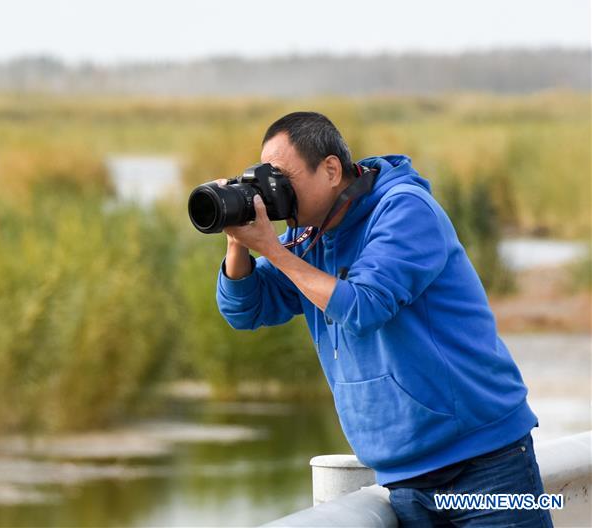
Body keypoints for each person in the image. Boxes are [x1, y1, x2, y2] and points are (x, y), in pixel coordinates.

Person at [215, 111, 553, 527]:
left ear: (332, 170)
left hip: (484, 462)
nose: (274, 191)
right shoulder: (308, 237)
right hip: (404, 476)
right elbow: (245, 310)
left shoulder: (405, 211)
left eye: (283, 177)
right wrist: (238, 241)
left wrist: (274, 251)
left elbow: (364, 306)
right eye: (266, 178)